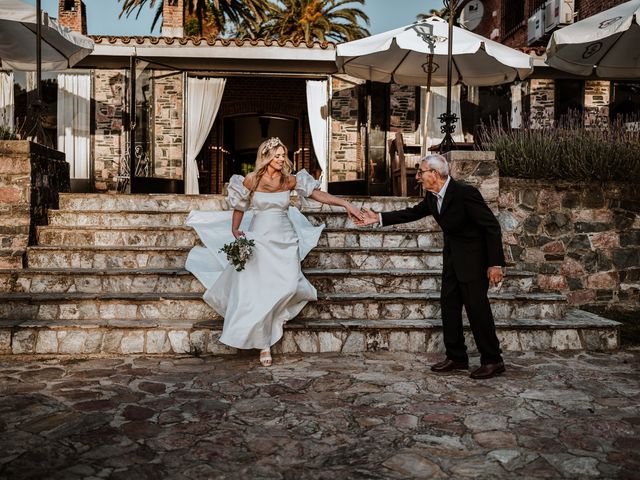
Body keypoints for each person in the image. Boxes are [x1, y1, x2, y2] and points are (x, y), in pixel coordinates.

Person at [185, 137, 362, 367]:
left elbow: (318, 195)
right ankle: (264, 343)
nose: (281, 159)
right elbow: (240, 206)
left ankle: (274, 321)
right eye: (277, 155)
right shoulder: (251, 180)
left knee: (288, 285)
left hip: (285, 239)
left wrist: (346, 204)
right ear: (266, 156)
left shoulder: (289, 180)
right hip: (259, 239)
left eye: (283, 155)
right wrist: (235, 229)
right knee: (259, 291)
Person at [355, 154, 506, 380]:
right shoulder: (432, 196)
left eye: (421, 172)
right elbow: (411, 213)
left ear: (434, 174)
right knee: (449, 306)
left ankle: (493, 360)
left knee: (477, 310)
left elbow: (491, 227)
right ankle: (457, 357)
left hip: (474, 262)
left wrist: (495, 263)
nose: (417, 177)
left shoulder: (465, 193)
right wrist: (377, 218)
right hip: (453, 260)